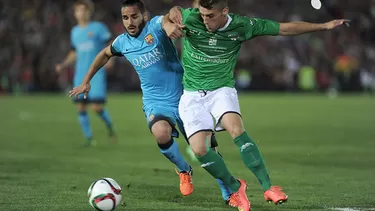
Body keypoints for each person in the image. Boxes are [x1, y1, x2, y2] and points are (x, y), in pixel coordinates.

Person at [166, 0, 349, 210]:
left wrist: (324, 26)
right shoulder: (191, 18)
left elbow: (283, 28)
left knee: (236, 129)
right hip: (191, 95)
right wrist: (172, 16)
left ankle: (268, 187)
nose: (205, 20)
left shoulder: (244, 25)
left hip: (221, 90)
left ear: (225, 11)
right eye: (203, 15)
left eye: (211, 16)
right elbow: (168, 17)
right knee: (199, 150)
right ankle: (236, 187)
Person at [69, 0, 233, 201]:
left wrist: (172, 20)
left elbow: (167, 19)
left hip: (185, 97)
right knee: (160, 132)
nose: (130, 21)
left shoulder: (154, 26)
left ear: (144, 16)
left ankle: (228, 191)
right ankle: (184, 170)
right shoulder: (122, 42)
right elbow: (104, 54)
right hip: (155, 101)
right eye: (125, 17)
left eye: (134, 16)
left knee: (207, 149)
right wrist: (86, 81)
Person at [56, 0, 115, 146]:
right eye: (78, 11)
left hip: (97, 73)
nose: (81, 13)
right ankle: (89, 138)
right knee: (80, 106)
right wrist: (63, 65)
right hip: (80, 74)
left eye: (83, 10)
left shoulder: (98, 28)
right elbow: (73, 52)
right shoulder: (75, 32)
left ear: (89, 12)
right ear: (75, 14)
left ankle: (110, 127)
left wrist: (111, 60)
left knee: (96, 107)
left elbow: (110, 44)